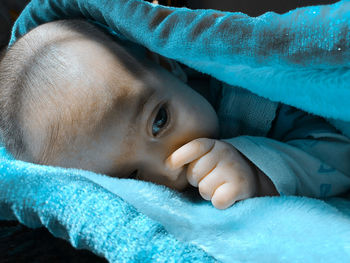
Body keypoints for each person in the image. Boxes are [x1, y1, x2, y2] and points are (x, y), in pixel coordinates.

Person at [0, 20, 349, 210]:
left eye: (160, 121)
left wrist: (256, 170)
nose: (170, 166)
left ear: (167, 64)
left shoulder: (254, 92)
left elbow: (340, 150)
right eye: (133, 175)